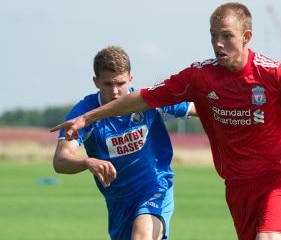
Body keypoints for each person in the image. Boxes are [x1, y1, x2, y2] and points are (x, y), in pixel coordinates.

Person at [50, 3, 281, 240]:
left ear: (246, 38)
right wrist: (86, 119)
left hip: (277, 179)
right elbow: (144, 97)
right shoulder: (198, 78)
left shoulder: (275, 75)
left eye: (226, 36)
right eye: (213, 36)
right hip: (236, 188)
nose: (218, 44)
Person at [51, 46, 195, 240]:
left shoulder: (148, 100)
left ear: (131, 79)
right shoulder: (84, 113)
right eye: (108, 84)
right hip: (119, 201)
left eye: (121, 83)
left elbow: (200, 108)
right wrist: (86, 162)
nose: (116, 91)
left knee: (141, 235)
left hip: (155, 187)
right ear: (96, 82)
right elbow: (60, 161)